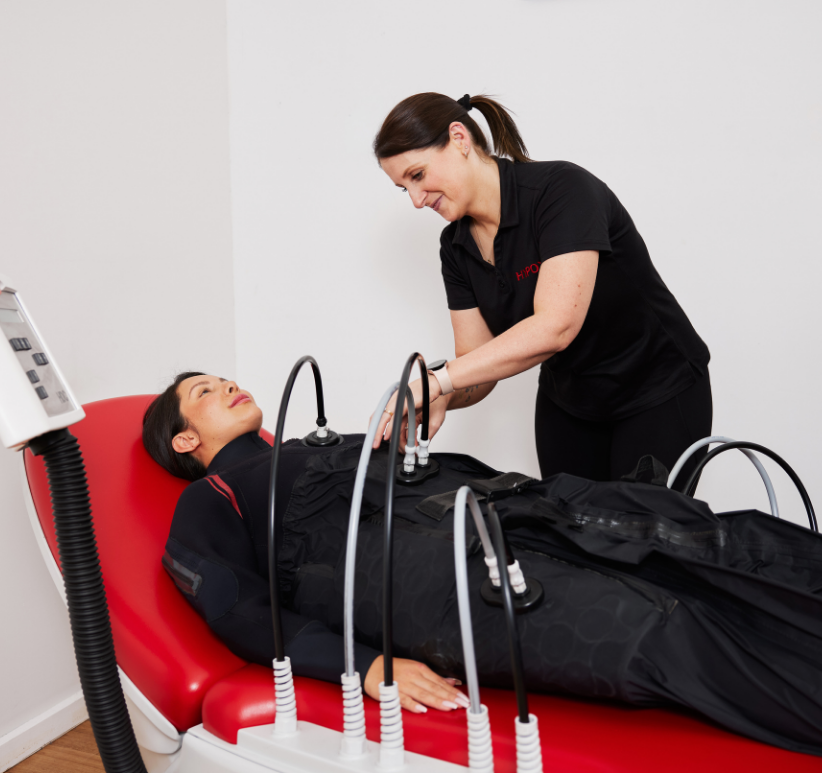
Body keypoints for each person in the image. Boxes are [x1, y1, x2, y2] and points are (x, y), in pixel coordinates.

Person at [143, 371, 820, 755]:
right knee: (661, 629)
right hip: (436, 582)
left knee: (713, 540)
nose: (225, 383)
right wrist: (365, 664)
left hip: (518, 509)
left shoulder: (318, 443)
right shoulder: (208, 502)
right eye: (203, 391)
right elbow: (239, 612)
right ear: (184, 438)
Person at [371, 93, 712, 487]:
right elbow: (476, 366)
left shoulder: (563, 192)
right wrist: (441, 398)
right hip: (569, 402)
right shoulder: (456, 247)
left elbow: (556, 327)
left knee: (641, 543)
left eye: (417, 175)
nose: (415, 200)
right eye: (403, 189)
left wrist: (435, 381)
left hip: (657, 391)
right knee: (562, 539)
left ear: (460, 138)